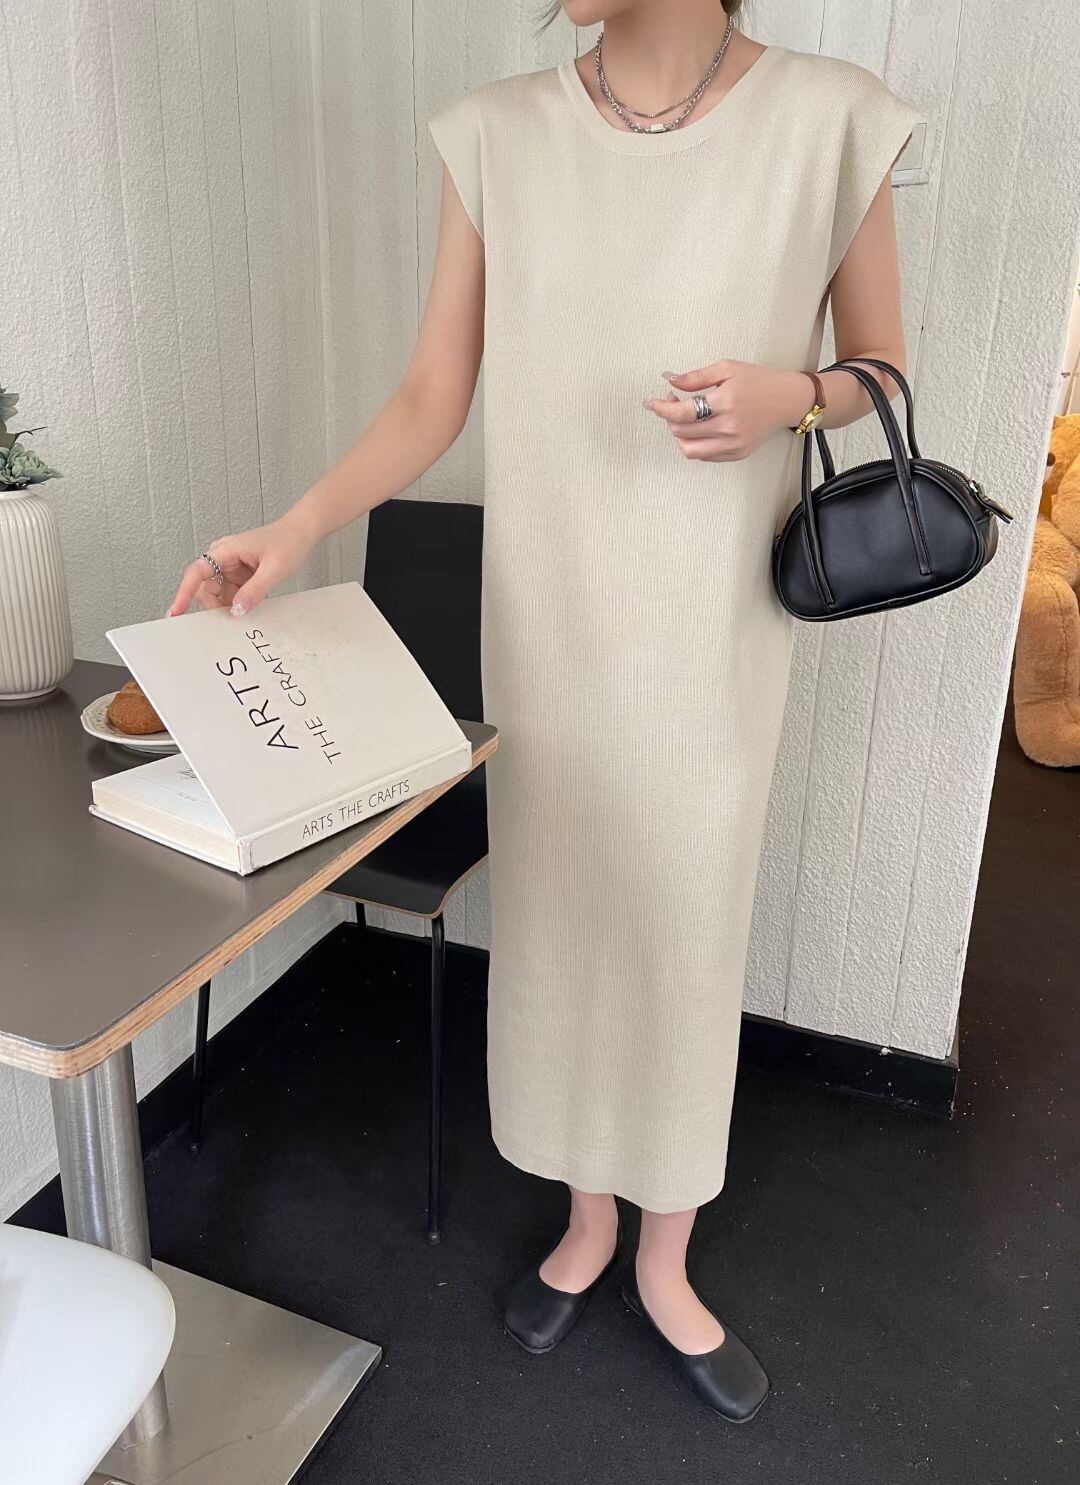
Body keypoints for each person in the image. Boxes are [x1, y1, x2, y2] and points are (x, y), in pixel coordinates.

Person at [169, 0, 917, 1424]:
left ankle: (667, 1253)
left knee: (686, 916)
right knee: (563, 912)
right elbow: (432, 391)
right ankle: (583, 1216)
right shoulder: (499, 135)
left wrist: (792, 394)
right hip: (551, 620)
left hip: (713, 632)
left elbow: (883, 368)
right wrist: (296, 528)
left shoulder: (829, 120)